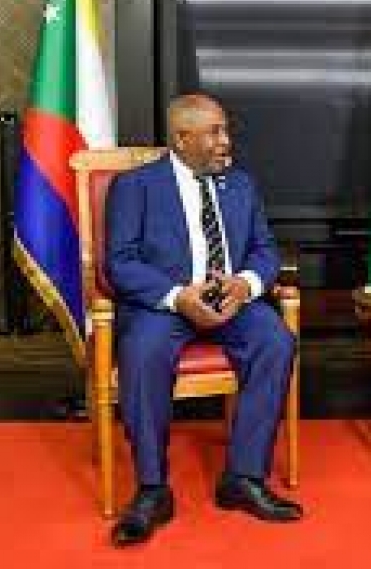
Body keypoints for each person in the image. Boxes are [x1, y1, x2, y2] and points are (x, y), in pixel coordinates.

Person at [105, 94, 302, 547]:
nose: (225, 141)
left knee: (275, 340)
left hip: (230, 302)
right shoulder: (135, 186)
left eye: (225, 130)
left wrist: (245, 285)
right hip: (165, 304)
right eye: (214, 132)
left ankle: (243, 478)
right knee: (142, 350)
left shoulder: (241, 184)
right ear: (181, 138)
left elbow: (265, 250)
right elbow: (120, 262)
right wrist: (178, 297)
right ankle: (152, 489)